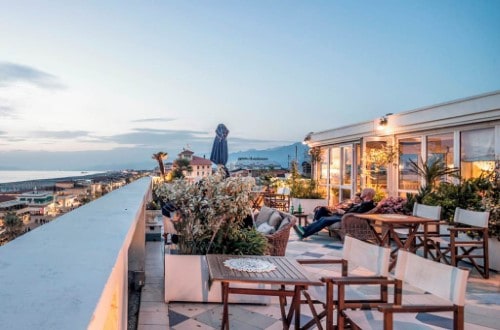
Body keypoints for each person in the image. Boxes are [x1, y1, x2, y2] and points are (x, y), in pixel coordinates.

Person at [293, 188, 376, 239]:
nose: (361, 193)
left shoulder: (368, 204)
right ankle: (304, 230)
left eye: (363, 192)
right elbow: (353, 210)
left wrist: (344, 212)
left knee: (324, 219)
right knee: (323, 217)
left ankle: (304, 233)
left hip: (348, 218)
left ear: (367, 194)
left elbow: (358, 213)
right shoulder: (363, 203)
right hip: (345, 215)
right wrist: (343, 210)